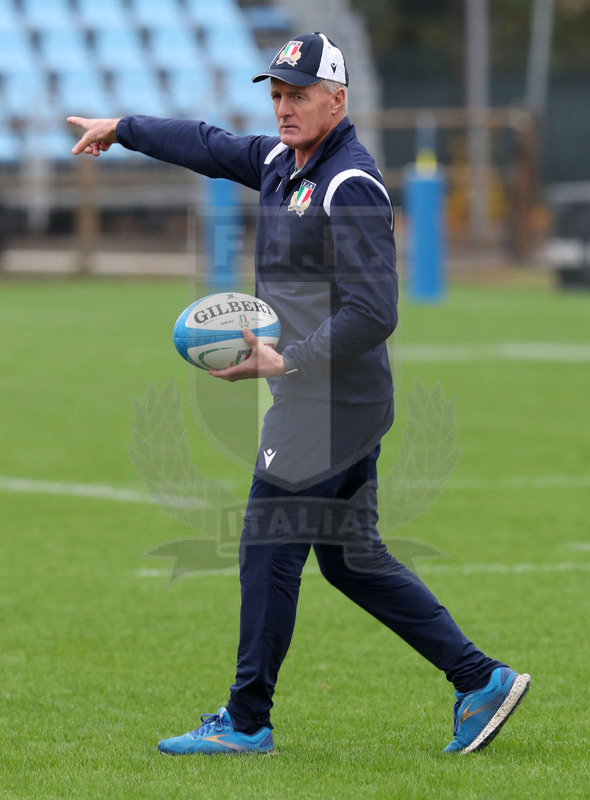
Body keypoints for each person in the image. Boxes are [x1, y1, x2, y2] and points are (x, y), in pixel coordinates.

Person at [68, 32, 530, 756]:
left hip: (328, 400)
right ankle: (481, 679)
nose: (284, 108)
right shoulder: (283, 163)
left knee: (267, 548)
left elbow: (376, 310)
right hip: (330, 398)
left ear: (337, 100)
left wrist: (290, 362)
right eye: (278, 94)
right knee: (351, 559)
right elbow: (207, 143)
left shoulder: (351, 183)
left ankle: (246, 720)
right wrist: (123, 128)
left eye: (299, 95)